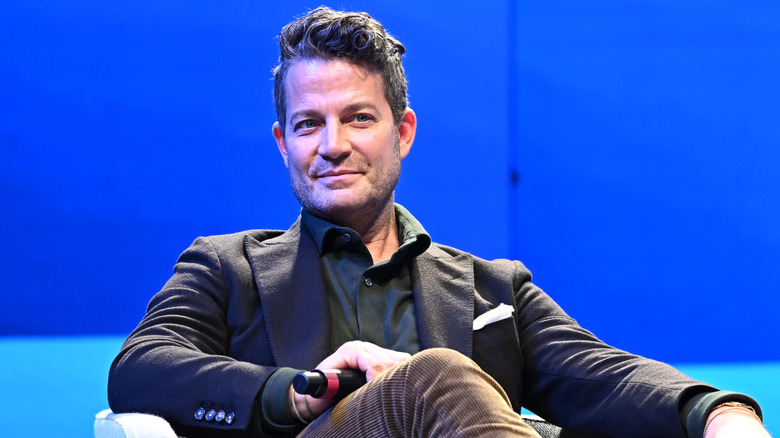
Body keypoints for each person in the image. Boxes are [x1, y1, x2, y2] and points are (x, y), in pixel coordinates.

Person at [108, 7, 770, 438]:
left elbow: (597, 374)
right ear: (283, 142)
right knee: (435, 375)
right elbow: (139, 369)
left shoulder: (494, 290)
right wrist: (297, 392)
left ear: (404, 132)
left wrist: (715, 412)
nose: (330, 144)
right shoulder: (228, 269)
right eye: (309, 124)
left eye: (358, 119)